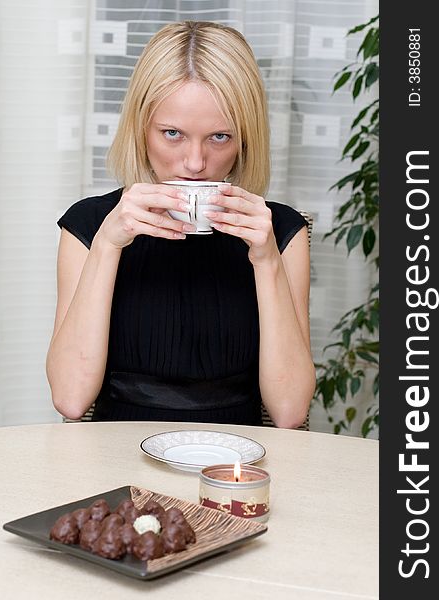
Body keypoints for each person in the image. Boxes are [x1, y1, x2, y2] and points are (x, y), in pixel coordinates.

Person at [46, 21, 315, 428]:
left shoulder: (279, 232)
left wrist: (267, 261)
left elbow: (290, 412)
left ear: (246, 138)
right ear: (141, 128)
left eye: (220, 137)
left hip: (232, 469)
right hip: (111, 465)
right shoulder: (89, 225)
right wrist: (107, 245)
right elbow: (69, 398)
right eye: (172, 133)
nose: (194, 163)